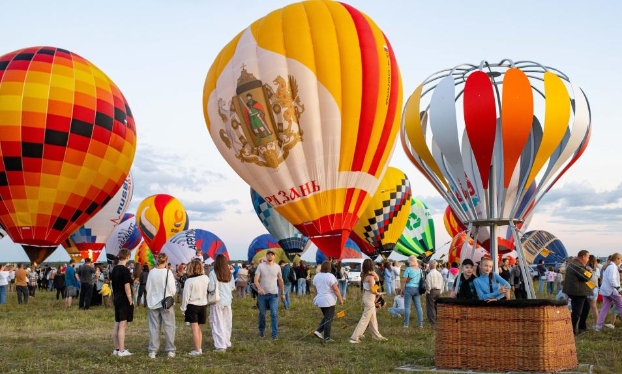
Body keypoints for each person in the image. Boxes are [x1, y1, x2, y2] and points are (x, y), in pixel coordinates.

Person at [146, 253, 177, 358]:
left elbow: (148, 288)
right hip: (166, 303)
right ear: (166, 260)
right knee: (169, 326)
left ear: (157, 260)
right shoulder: (168, 273)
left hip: (153, 302)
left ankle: (153, 350)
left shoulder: (152, 272)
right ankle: (170, 350)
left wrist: (149, 299)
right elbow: (173, 289)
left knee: (154, 327)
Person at [350, 259, 387, 343]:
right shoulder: (370, 277)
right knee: (365, 318)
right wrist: (379, 293)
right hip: (370, 297)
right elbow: (373, 290)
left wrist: (377, 279)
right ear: (371, 266)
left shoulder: (364, 274)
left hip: (367, 296)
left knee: (373, 318)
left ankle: (376, 335)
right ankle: (355, 337)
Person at [254, 249, 285, 339]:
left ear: (274, 256)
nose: (270, 256)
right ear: (266, 256)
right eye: (269, 254)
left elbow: (280, 280)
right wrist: (259, 288)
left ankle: (274, 335)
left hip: (274, 294)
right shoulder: (261, 266)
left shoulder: (277, 267)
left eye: (272, 254)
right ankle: (261, 331)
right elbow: (256, 280)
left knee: (274, 313)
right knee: (262, 314)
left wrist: (283, 294)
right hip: (262, 295)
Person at [180, 259, 209, 356]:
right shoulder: (205, 278)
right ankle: (199, 347)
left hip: (192, 306)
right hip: (203, 305)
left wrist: (183, 308)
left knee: (194, 329)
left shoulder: (189, 281)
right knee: (199, 328)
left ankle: (197, 350)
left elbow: (186, 296)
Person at [208, 254, 235, 352]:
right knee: (227, 323)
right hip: (228, 301)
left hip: (217, 301)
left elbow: (211, 287)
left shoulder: (213, 273)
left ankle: (220, 345)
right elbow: (232, 287)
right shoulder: (229, 274)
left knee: (217, 323)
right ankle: (227, 342)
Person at [109, 249, 134, 356]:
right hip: (124, 298)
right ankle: (122, 350)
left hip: (117, 297)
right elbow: (127, 286)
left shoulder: (114, 269)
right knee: (123, 325)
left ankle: (116, 348)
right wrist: (130, 300)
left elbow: (112, 285)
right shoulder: (124, 270)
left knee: (117, 323)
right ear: (127, 256)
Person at [312, 260, 343, 343]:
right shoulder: (330, 276)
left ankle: (318, 331)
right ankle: (327, 337)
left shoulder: (317, 276)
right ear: (329, 268)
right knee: (329, 319)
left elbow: (315, 287)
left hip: (320, 300)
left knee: (327, 317)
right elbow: (336, 289)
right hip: (329, 300)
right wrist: (340, 299)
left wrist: (318, 294)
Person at [562, 250, 592, 335]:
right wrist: (590, 272)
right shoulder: (577, 266)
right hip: (577, 292)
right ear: (583, 257)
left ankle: (582, 327)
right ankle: (571, 330)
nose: (588, 259)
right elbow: (586, 277)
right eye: (588, 257)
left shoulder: (575, 264)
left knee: (586, 307)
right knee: (577, 312)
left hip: (578, 291)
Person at [594, 253, 622, 331]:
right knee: (621, 306)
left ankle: (598, 326)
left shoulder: (608, 266)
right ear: (617, 259)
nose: (620, 262)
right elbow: (612, 279)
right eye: (620, 260)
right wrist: (619, 289)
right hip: (612, 290)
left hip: (605, 291)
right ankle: (599, 326)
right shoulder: (613, 267)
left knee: (604, 308)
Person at [402, 256, 424, 328]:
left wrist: (402, 289)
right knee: (418, 307)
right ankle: (420, 324)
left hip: (409, 288)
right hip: (417, 289)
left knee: (407, 307)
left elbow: (404, 280)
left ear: (410, 261)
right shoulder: (420, 270)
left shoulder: (408, 269)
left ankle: (406, 324)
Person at [425, 260, 444, 325]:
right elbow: (442, 283)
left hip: (432, 291)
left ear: (430, 266)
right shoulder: (439, 273)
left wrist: (428, 291)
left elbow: (428, 284)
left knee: (431, 306)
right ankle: (439, 319)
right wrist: (441, 291)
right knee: (437, 306)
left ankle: (432, 322)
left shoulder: (429, 274)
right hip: (438, 290)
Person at [585, 255, 600, 328]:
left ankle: (583, 323)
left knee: (584, 307)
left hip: (587, 287)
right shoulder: (597, 269)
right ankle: (596, 323)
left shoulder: (586, 268)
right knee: (594, 307)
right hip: (595, 288)